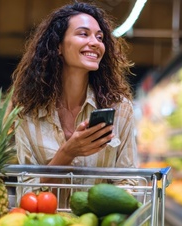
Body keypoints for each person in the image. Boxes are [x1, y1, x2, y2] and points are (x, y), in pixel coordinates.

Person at [9, 2, 140, 204]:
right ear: (58, 46)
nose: (95, 42)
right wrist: (68, 152)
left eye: (99, 37)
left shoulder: (119, 108)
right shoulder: (28, 112)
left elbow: (128, 181)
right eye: (83, 34)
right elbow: (28, 194)